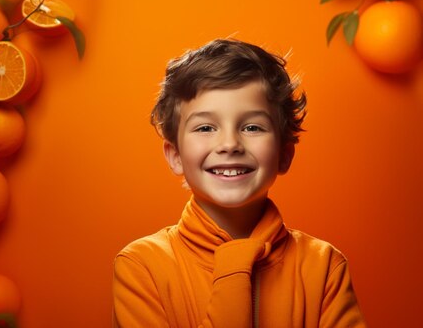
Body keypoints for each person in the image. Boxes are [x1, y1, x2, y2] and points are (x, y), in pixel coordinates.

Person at [112, 38, 366, 327]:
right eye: (206, 127)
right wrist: (235, 264)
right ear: (175, 156)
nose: (230, 144)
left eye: (252, 127)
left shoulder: (324, 267)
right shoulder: (142, 266)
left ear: (284, 155)